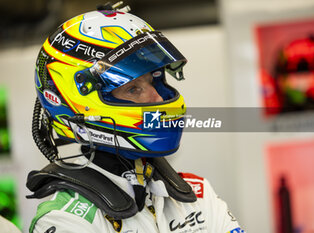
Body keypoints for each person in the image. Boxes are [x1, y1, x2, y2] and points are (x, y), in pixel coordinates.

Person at [26, 3, 244, 233]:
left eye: (152, 81)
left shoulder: (198, 193)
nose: (157, 96)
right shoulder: (64, 220)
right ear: (82, 103)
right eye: (133, 89)